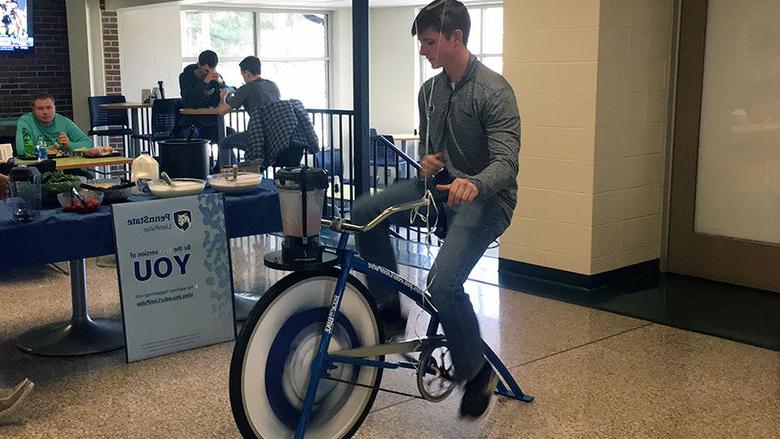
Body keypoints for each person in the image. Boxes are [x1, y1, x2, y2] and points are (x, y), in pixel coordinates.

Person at [350, 0, 520, 420]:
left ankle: (477, 372)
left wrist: (474, 182)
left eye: (429, 42)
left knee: (442, 285)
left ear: (455, 38)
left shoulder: (494, 92)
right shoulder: (431, 90)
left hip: (486, 200)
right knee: (365, 210)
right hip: (440, 191)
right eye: (422, 43)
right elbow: (435, 152)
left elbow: (506, 162)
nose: (423, 51)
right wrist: (432, 162)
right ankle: (389, 308)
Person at [215, 55, 281, 166]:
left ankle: (226, 174)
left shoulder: (247, 88)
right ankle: (249, 168)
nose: (243, 78)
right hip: (277, 135)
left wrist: (223, 97)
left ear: (247, 73)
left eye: (242, 74)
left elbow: (222, 111)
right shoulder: (273, 85)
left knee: (224, 143)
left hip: (258, 135)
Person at [14, 92, 93, 156]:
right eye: (40, 108)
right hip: (38, 166)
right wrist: (49, 150)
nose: (45, 112)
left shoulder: (63, 121)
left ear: (54, 107)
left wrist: (69, 145)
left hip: (64, 166)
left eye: (49, 107)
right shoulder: (25, 121)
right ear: (33, 110)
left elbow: (89, 144)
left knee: (87, 176)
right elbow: (21, 150)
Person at [178, 50, 226, 142]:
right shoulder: (185, 77)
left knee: (228, 135)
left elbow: (223, 101)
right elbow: (190, 103)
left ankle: (224, 157)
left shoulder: (216, 78)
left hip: (211, 123)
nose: (209, 74)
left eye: (212, 70)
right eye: (206, 70)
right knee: (190, 136)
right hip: (192, 123)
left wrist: (222, 84)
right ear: (199, 65)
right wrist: (204, 83)